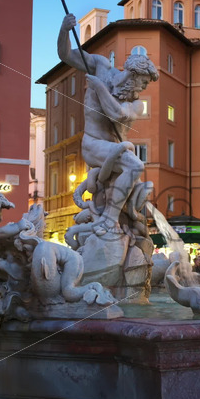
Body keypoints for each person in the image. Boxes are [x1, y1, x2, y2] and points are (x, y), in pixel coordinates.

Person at [58, 12, 159, 234]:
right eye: (143, 83)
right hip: (93, 144)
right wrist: (65, 30)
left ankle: (116, 217)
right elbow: (65, 54)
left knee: (134, 168)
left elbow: (116, 114)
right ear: (132, 74)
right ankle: (108, 221)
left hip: (113, 148)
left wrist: (99, 88)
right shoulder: (101, 66)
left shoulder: (135, 104)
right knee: (135, 165)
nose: (143, 89)